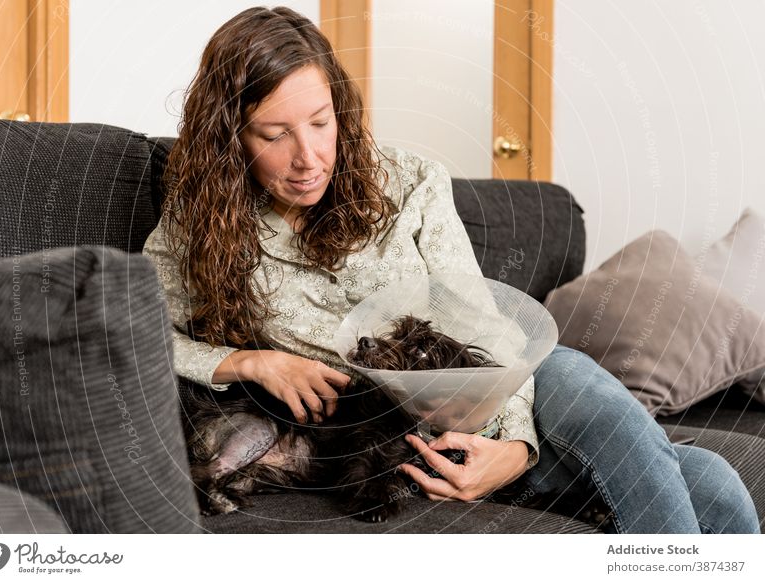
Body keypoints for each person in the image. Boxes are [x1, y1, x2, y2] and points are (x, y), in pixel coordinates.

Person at [142, 6, 759, 534]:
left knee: (574, 373)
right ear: (231, 137)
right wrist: (246, 362)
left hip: (505, 393)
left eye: (321, 123)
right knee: (710, 479)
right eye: (275, 133)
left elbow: (485, 327)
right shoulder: (199, 221)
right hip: (385, 438)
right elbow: (134, 334)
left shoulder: (410, 182)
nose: (309, 157)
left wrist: (514, 448)